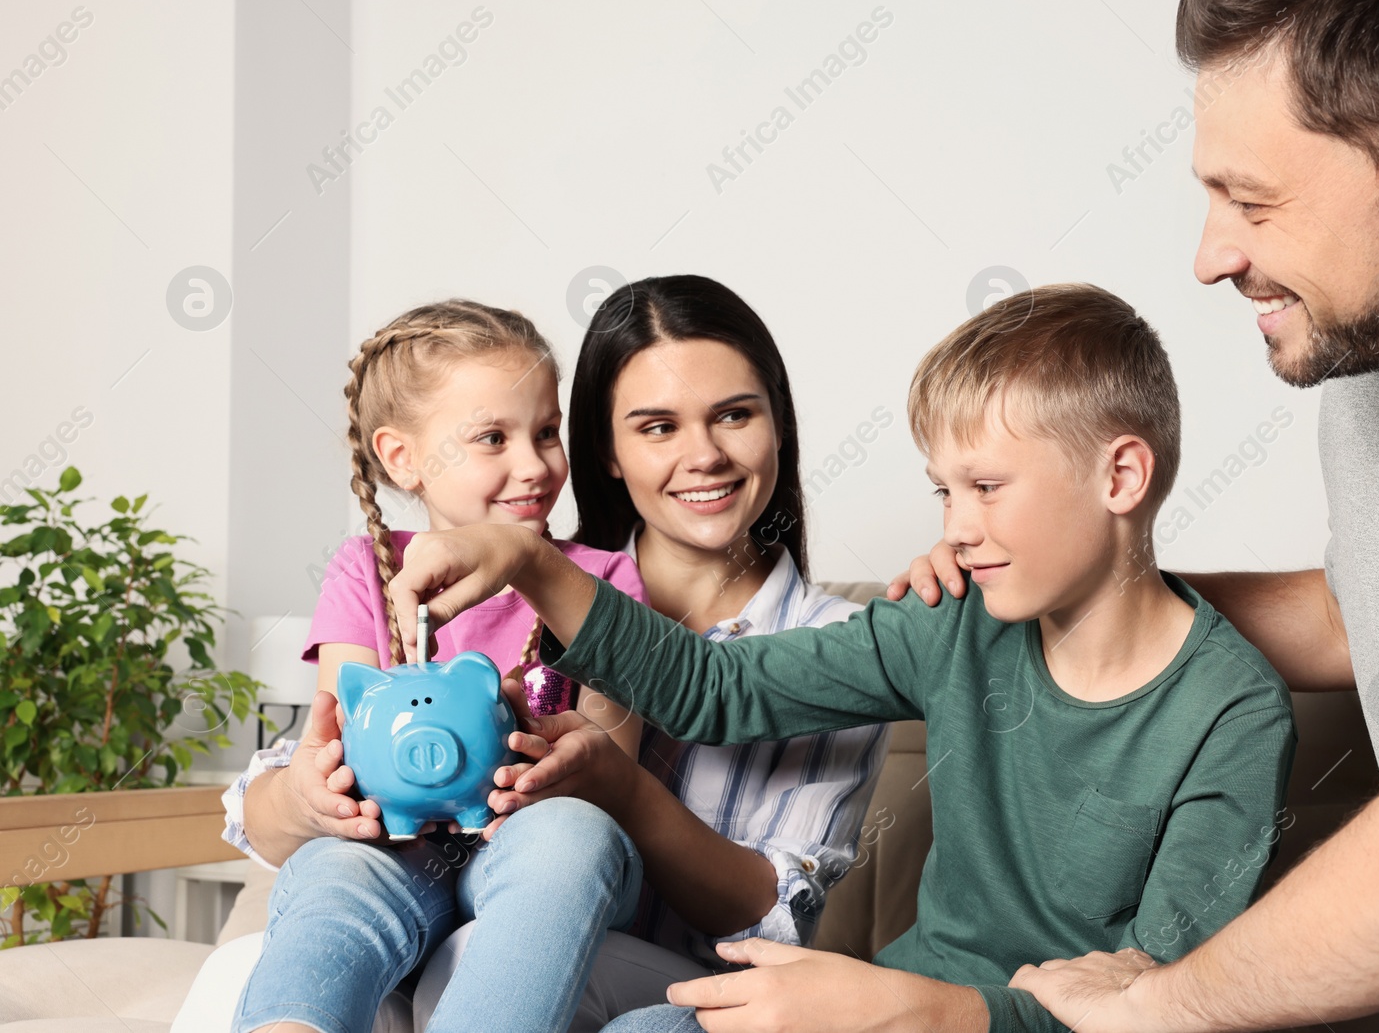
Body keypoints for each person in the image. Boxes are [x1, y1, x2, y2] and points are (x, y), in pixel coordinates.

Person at [895, 0, 1379, 1030]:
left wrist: (1157, 1003)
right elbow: (1358, 608)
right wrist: (1085, 591)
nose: (1210, 255)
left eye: (1253, 200)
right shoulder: (1372, 383)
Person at [386, 283, 1299, 1033]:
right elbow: (711, 688)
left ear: (1121, 477)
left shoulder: (1233, 710)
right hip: (900, 1000)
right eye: (945, 491)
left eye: (985, 488)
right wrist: (529, 559)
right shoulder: (955, 622)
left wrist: (924, 1006)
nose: (957, 529)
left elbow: (1166, 1000)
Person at [183, 278, 888, 1033]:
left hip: (609, 935)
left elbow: (614, 774)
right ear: (610, 451)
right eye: (656, 426)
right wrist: (308, 796)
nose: (703, 454)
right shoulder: (374, 570)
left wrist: (534, 585)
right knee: (308, 900)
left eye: (736, 414)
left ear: (779, 423)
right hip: (407, 878)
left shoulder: (827, 643)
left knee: (559, 847)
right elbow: (324, 744)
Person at [230, 299, 649, 1033]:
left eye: (547, 432)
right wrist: (323, 793)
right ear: (401, 457)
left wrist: (552, 758)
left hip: (539, 845)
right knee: (334, 872)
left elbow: (616, 772)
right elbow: (338, 736)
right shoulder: (366, 570)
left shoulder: (604, 580)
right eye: (493, 437)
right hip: (397, 848)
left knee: (572, 837)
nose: (536, 464)